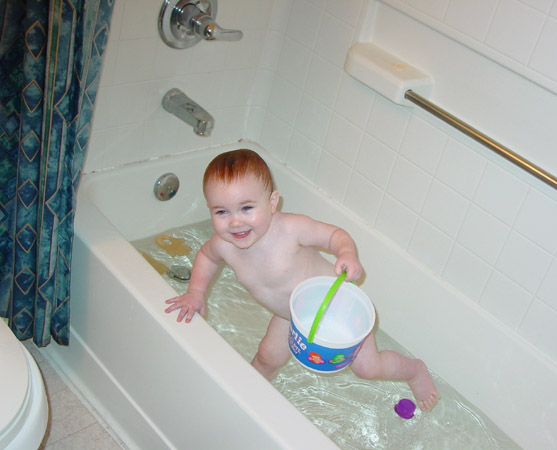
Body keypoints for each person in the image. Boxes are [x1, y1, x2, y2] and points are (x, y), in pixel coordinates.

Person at [165, 149, 440, 411]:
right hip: (290, 314)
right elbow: (207, 257)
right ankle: (247, 394)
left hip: (336, 305)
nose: (235, 222)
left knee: (368, 368)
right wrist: (196, 292)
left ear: (272, 202)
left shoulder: (291, 229)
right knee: (268, 355)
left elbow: (333, 236)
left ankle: (414, 371)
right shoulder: (223, 245)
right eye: (221, 212)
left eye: (246, 208)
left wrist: (346, 254)